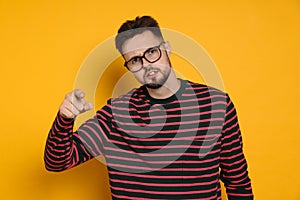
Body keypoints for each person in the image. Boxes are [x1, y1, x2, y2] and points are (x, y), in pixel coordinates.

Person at [44, 16, 254, 199]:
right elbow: (57, 161)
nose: (147, 65)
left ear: (167, 48)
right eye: (135, 60)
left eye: (152, 52)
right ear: (128, 66)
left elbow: (237, 181)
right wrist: (65, 118)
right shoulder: (116, 114)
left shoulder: (217, 104)